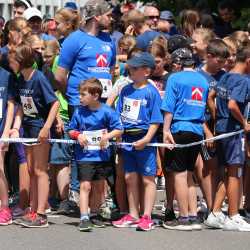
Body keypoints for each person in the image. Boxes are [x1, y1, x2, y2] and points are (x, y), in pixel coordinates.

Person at [112, 52, 163, 231]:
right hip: (127, 139)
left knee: (148, 178)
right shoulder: (125, 90)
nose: (130, 70)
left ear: (147, 71)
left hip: (145, 139)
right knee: (129, 177)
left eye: (135, 68)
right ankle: (132, 214)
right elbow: (118, 114)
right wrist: (118, 135)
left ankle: (147, 216)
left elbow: (156, 119)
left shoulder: (151, 92)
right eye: (130, 67)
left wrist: (147, 138)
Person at [10, 44, 59, 228]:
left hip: (40, 127)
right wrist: (15, 127)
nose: (10, 62)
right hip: (28, 128)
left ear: (21, 61)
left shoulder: (38, 78)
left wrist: (46, 127)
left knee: (40, 171)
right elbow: (23, 106)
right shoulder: (20, 79)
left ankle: (41, 214)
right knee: (31, 170)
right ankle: (32, 209)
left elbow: (54, 104)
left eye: (13, 59)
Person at [161, 48, 209, 231]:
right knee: (189, 174)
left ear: (177, 63)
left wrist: (166, 130)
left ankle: (183, 217)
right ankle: (192, 215)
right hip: (197, 129)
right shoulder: (202, 80)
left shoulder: (175, 78)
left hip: (180, 127)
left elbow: (169, 107)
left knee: (179, 174)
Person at [68, 78, 123, 232]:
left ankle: (95, 213)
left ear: (95, 95)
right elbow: (71, 129)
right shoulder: (79, 111)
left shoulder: (107, 111)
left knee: (99, 187)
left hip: (102, 156)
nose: (80, 98)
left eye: (83, 95)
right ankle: (84, 217)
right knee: (85, 186)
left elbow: (119, 129)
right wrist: (78, 135)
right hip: (84, 156)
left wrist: (107, 136)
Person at [205, 45, 250, 231]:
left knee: (227, 172)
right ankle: (233, 215)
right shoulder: (242, 81)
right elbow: (233, 105)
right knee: (235, 172)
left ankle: (215, 213)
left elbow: (211, 97)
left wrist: (218, 117)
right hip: (234, 131)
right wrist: (244, 123)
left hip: (222, 129)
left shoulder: (225, 76)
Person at [195, 39, 229, 213]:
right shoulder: (197, 76)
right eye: (219, 61)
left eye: (224, 62)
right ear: (209, 57)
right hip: (204, 124)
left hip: (221, 125)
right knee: (210, 167)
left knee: (219, 168)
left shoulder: (224, 75)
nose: (222, 65)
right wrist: (207, 131)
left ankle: (215, 206)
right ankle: (211, 208)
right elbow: (195, 108)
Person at [0, 66, 15, 226]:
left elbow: (11, 105)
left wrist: (6, 131)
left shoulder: (6, 76)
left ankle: (5, 207)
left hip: (1, 128)